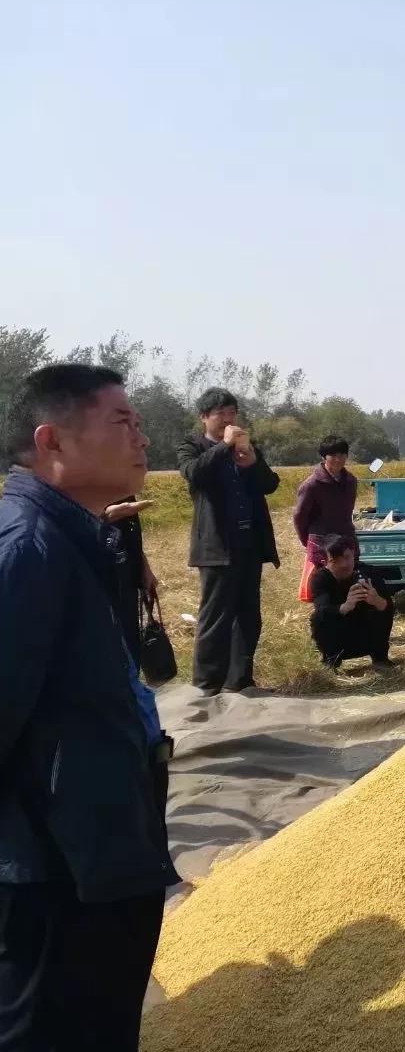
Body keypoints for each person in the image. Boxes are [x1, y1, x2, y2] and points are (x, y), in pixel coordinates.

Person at [0, 363, 179, 1051]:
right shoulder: (28, 552)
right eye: (122, 423)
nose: (141, 438)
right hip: (56, 873)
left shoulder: (79, 540)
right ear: (54, 443)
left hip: (99, 852)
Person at [176, 387, 281, 694]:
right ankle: (207, 684)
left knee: (248, 614)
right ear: (204, 417)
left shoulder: (247, 446)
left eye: (232, 413)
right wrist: (223, 447)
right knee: (216, 616)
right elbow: (195, 474)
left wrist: (251, 462)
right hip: (216, 545)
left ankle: (240, 680)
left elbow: (270, 484)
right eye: (220, 413)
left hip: (250, 541)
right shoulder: (191, 446)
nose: (227, 419)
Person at [308, 537, 395, 670]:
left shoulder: (368, 572)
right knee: (318, 618)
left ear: (353, 553)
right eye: (335, 560)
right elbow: (322, 611)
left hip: (366, 633)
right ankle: (331, 661)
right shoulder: (321, 579)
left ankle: (380, 658)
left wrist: (377, 600)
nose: (344, 564)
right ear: (325, 562)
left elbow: (388, 607)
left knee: (383, 609)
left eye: (347, 557)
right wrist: (345, 607)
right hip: (339, 637)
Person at [293, 435, 358, 601]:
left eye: (342, 455)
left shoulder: (351, 481)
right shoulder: (312, 484)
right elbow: (300, 516)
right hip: (321, 540)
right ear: (324, 456)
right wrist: (307, 541)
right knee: (324, 588)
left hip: (346, 537)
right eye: (333, 455)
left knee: (349, 581)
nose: (338, 459)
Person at [103, 495, 159, 659]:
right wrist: (105, 516)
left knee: (130, 631)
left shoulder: (122, 490)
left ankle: (132, 679)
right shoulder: (86, 483)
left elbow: (131, 535)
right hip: (104, 573)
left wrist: (145, 568)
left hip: (129, 571)